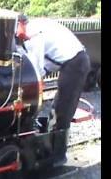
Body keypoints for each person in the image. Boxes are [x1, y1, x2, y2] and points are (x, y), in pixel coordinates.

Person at [16, 14, 91, 166]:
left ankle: (58, 156)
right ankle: (47, 148)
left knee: (62, 110)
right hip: (67, 61)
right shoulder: (32, 29)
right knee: (57, 108)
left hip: (75, 62)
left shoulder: (33, 34)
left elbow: (36, 73)